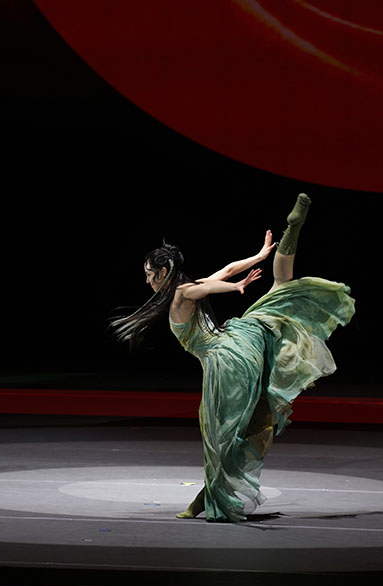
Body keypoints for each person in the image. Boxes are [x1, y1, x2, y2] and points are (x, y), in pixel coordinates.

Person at [111, 194, 355, 522]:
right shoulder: (187, 287)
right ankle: (292, 230)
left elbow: (208, 288)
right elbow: (224, 272)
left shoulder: (182, 293)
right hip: (239, 339)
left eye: (149, 274)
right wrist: (258, 256)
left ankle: (208, 497)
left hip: (225, 360)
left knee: (223, 435)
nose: (147, 280)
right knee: (279, 289)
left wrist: (237, 286)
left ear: (164, 271)